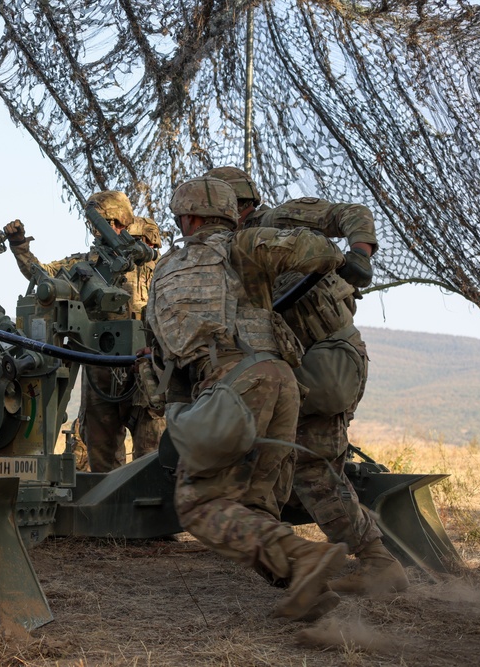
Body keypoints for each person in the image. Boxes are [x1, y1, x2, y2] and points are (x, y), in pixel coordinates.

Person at [146, 176, 349, 621]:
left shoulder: (166, 271)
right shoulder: (245, 245)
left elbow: (160, 360)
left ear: (188, 218)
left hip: (231, 389)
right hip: (280, 380)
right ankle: (310, 595)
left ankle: (304, 558)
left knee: (199, 503)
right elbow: (320, 254)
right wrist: (339, 254)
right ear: (226, 213)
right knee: (254, 505)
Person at [205, 166, 408, 594]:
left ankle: (367, 562)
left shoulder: (280, 222)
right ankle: (318, 561)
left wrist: (360, 253)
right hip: (292, 365)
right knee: (286, 460)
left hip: (329, 356)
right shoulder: (223, 254)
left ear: (240, 205)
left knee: (310, 465)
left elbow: (352, 213)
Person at [3, 191, 165, 472]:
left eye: (109, 221)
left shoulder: (154, 265)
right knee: (101, 456)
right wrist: (20, 247)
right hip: (99, 366)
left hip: (145, 367)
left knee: (150, 457)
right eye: (99, 222)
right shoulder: (86, 265)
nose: (104, 228)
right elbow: (44, 278)